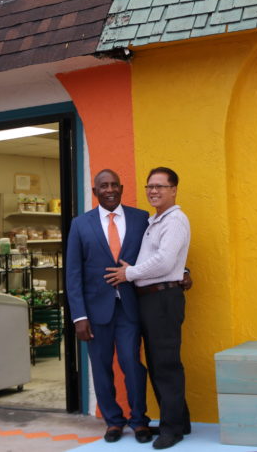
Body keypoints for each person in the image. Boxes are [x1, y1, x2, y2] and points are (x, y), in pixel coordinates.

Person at [105, 167, 191, 450]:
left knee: (166, 364)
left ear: (174, 190)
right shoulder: (155, 220)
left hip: (163, 299)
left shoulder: (175, 220)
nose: (153, 191)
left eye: (160, 187)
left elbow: (166, 262)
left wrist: (129, 274)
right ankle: (179, 421)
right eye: (149, 186)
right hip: (150, 299)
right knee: (157, 362)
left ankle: (172, 429)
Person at [66, 169, 153, 444]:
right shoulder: (80, 224)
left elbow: (158, 252)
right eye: (104, 186)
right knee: (101, 367)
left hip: (130, 307)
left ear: (122, 188)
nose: (110, 189)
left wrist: (182, 270)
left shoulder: (141, 219)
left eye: (115, 184)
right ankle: (113, 421)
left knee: (132, 363)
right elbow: (73, 273)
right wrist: (79, 316)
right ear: (95, 192)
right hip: (94, 312)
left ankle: (139, 420)